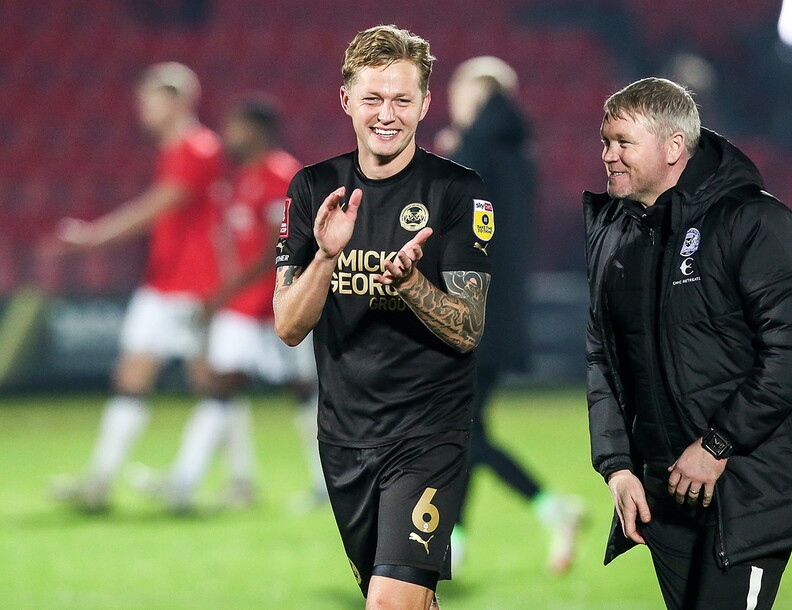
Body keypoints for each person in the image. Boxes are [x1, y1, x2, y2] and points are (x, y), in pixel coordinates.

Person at [583, 77, 792, 609]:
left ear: (673, 147)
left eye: (623, 142)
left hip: (748, 485)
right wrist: (618, 467)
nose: (608, 156)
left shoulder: (755, 220)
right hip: (664, 494)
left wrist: (716, 445)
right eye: (606, 142)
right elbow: (604, 357)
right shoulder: (614, 233)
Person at [272, 25, 492, 610]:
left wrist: (411, 284)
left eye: (401, 99)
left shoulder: (458, 191)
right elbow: (289, 327)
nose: (387, 115)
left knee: (389, 603)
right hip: (343, 437)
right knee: (406, 601)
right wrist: (325, 256)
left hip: (427, 435)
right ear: (347, 100)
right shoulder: (314, 188)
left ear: (425, 102)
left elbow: (468, 329)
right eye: (372, 98)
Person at [48, 62, 225, 512]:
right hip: (162, 282)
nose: (142, 108)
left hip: (194, 285)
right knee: (133, 379)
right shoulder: (175, 149)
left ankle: (207, 483)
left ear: (178, 101)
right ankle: (99, 484)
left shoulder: (199, 147)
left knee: (212, 383)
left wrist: (92, 237)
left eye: (151, 99)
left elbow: (160, 205)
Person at [435, 56, 584, 575]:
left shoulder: (475, 156)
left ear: (476, 99)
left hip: (470, 314)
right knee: (466, 429)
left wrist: (454, 158)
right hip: (503, 316)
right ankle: (455, 543)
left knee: (459, 431)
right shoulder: (520, 153)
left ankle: (552, 508)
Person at [147, 95, 325, 512]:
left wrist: (224, 293)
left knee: (294, 391)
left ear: (258, 131)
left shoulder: (280, 173)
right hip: (246, 306)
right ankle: (195, 481)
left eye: (236, 127)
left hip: (275, 303)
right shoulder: (242, 178)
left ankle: (325, 483)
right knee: (232, 387)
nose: (228, 134)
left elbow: (278, 248)